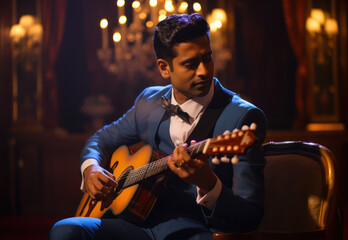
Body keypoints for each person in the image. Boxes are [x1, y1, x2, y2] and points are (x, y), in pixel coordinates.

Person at [49, 13, 267, 240]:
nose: (204, 71)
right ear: (164, 68)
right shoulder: (149, 102)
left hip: (195, 231)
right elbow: (101, 139)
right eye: (191, 64)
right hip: (136, 225)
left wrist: (208, 183)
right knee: (66, 230)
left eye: (207, 58)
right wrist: (91, 167)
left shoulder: (242, 117)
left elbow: (249, 217)